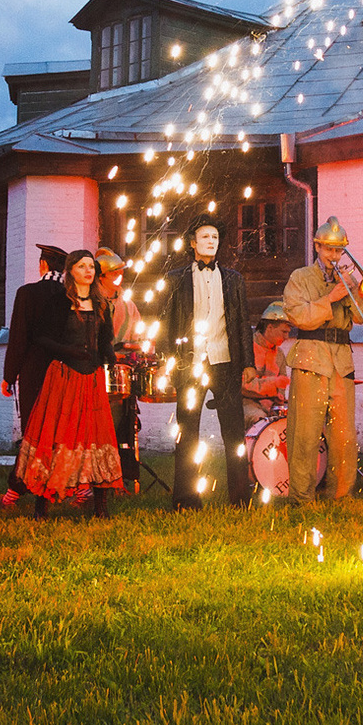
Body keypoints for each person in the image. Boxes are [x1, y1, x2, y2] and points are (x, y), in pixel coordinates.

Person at [14, 249, 124, 515]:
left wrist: (112, 362)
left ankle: (100, 505)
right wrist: (70, 352)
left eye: (91, 266)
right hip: (64, 375)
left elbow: (105, 341)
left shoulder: (101, 305)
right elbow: (42, 337)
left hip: (92, 378)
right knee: (57, 435)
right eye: (81, 266)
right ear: (70, 271)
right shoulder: (59, 302)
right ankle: (42, 504)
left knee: (96, 437)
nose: (88, 271)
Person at [161, 218, 255, 509]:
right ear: (192, 243)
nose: (211, 241)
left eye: (215, 236)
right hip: (190, 363)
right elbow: (167, 324)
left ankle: (240, 498)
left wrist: (248, 362)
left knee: (234, 431)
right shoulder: (176, 279)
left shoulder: (233, 279)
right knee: (187, 432)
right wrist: (167, 361)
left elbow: (241, 322)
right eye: (204, 236)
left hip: (224, 361)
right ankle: (186, 499)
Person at [282, 216, 363, 502]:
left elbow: (361, 317)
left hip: (341, 362)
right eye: (329, 249)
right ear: (317, 247)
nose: (334, 256)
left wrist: (355, 291)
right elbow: (299, 316)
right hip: (310, 360)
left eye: (339, 250)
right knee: (305, 433)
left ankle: (341, 497)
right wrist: (331, 298)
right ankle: (301, 498)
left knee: (344, 437)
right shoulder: (300, 277)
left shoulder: (348, 279)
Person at [0, 245, 71, 508]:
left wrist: (9, 375)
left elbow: (18, 337)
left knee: (33, 433)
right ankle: (72, 489)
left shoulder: (27, 293)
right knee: (63, 433)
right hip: (65, 372)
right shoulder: (72, 296)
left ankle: (15, 491)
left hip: (34, 372)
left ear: (43, 265)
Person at [95, 249, 144, 489]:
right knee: (101, 427)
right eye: (114, 273)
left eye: (121, 272)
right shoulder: (93, 302)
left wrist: (138, 347)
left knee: (123, 426)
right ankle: (99, 478)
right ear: (101, 276)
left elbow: (138, 335)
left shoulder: (128, 304)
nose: (119, 277)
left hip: (122, 372)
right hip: (97, 370)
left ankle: (121, 476)